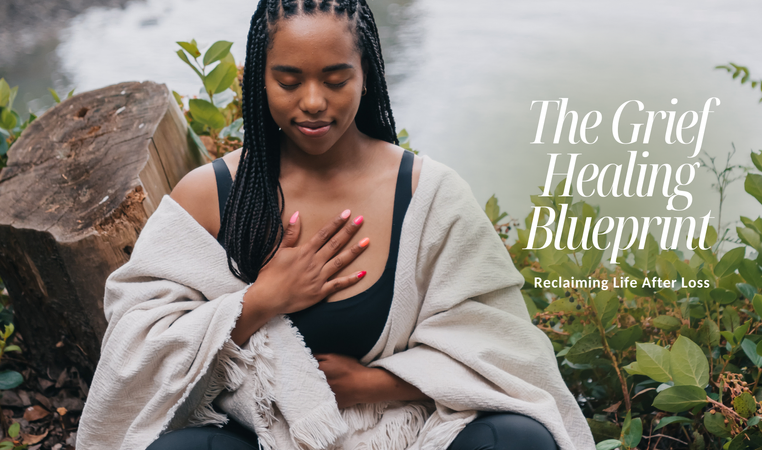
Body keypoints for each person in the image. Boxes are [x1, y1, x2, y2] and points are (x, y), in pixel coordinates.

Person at [78, 0, 593, 449]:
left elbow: (502, 355)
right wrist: (262, 299)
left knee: (519, 439)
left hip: (408, 437)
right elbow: (136, 351)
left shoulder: (426, 195)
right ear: (260, 77)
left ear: (365, 72)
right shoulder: (210, 195)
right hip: (263, 437)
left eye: (335, 78)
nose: (313, 102)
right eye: (288, 80)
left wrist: (377, 384)